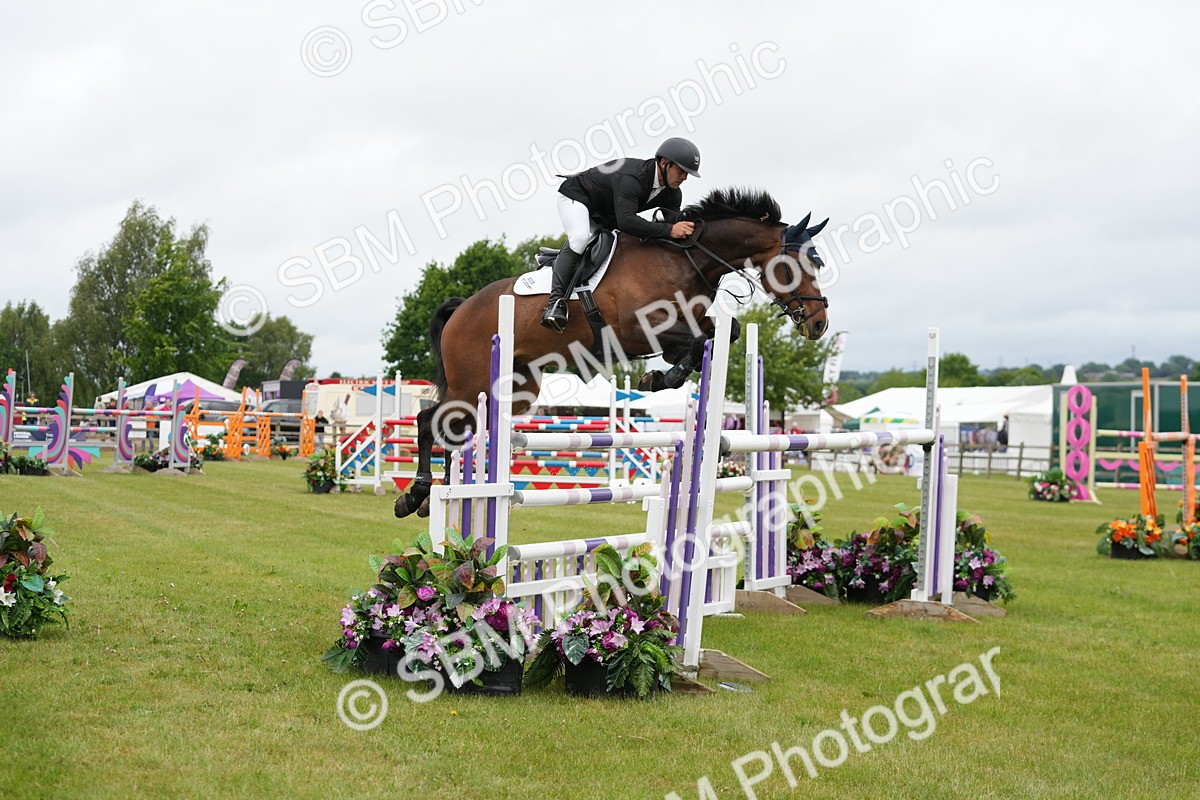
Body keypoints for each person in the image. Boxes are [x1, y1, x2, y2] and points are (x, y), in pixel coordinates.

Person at [540, 137, 703, 332]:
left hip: (607, 215)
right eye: (682, 171)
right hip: (578, 197)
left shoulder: (673, 193)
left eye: (688, 173)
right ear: (664, 163)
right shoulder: (632, 178)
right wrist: (669, 230)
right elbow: (627, 221)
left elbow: (670, 230)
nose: (685, 177)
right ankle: (555, 304)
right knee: (580, 237)